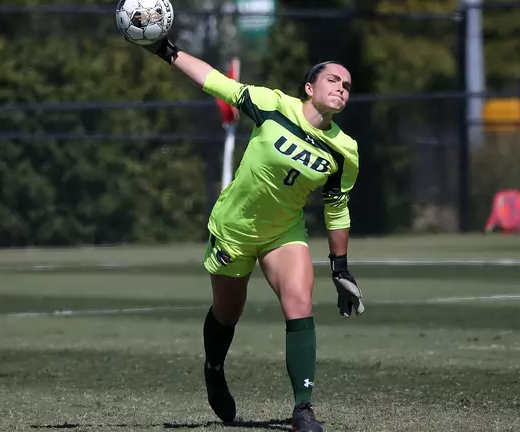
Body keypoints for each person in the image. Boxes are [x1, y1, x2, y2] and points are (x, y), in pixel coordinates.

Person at [125, 30, 364, 432]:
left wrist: (340, 267)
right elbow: (215, 81)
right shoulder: (273, 105)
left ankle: (303, 409)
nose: (341, 87)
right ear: (309, 87)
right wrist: (166, 51)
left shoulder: (345, 150)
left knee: (298, 303)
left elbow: (336, 209)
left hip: (283, 233)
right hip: (233, 228)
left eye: (347, 85)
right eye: (332, 80)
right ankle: (214, 368)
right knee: (227, 312)